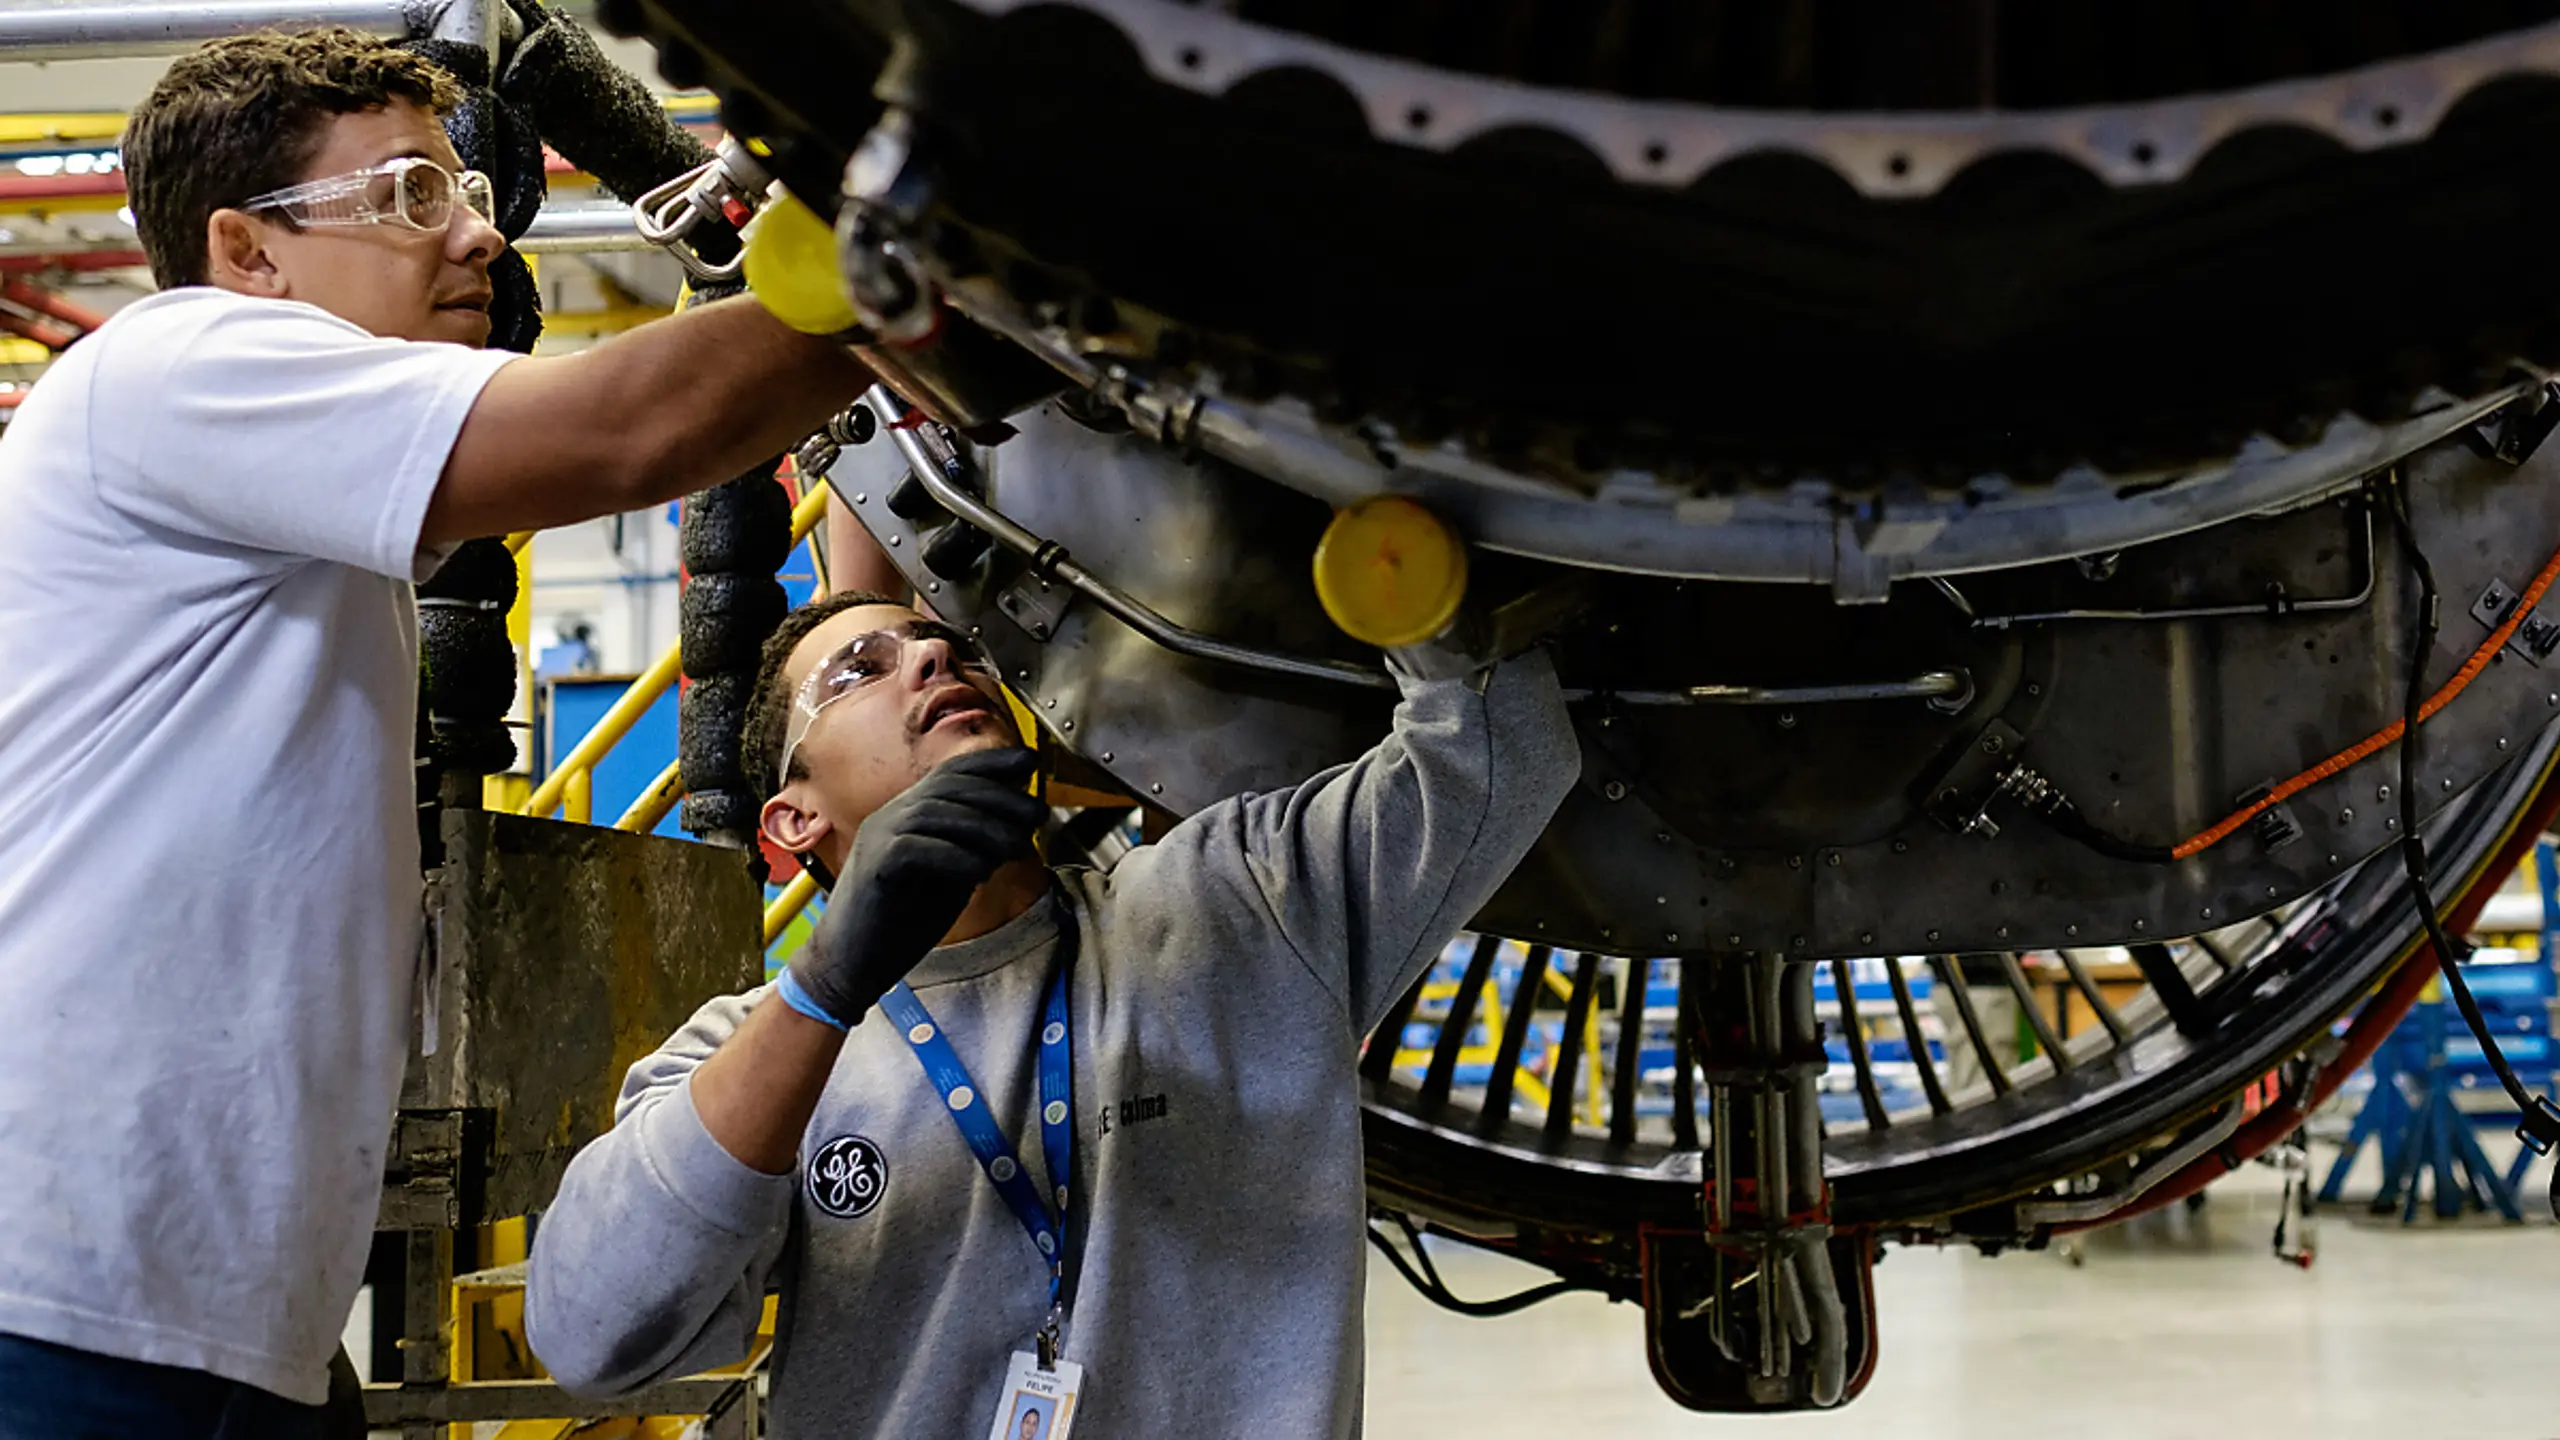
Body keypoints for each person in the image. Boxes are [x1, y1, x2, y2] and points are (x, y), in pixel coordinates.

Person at [0, 27, 870, 1433]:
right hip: (73, 1305)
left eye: (461, 189)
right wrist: (911, 274)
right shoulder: (176, 367)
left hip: (215, 1316)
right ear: (248, 252)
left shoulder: (276, 500)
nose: (474, 235)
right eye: (410, 196)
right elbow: (633, 425)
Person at [523, 587, 1578, 1435]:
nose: (934, 662)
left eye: (945, 647)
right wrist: (826, 986)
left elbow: (1494, 749)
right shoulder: (748, 1056)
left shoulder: (1236, 904)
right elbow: (589, 1337)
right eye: (861, 671)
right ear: (793, 819)